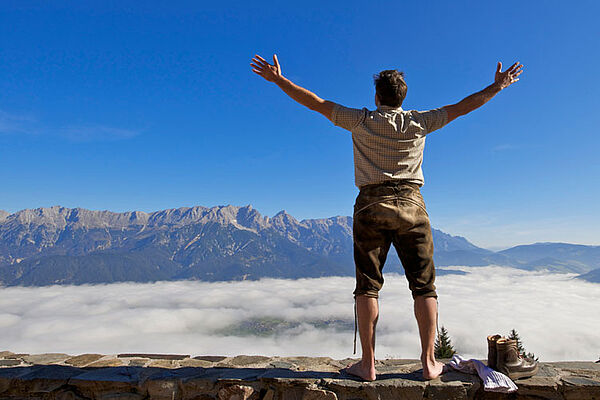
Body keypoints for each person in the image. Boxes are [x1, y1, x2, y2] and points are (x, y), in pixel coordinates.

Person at [250, 54, 524, 381]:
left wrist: (279, 80)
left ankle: (367, 365)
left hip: (370, 205)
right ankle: (429, 363)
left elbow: (316, 103)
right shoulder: (420, 122)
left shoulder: (360, 120)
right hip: (412, 204)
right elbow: (464, 106)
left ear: (377, 96)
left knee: (367, 286)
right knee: (424, 287)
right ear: (403, 97)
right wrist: (498, 86)